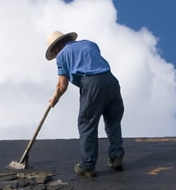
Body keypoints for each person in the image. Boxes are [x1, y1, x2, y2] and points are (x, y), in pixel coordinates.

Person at [45, 30, 125, 178]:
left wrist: (55, 98)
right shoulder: (90, 44)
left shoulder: (62, 55)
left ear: (56, 48)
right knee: (113, 122)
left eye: (54, 52)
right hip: (111, 81)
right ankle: (116, 157)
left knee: (86, 122)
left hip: (92, 83)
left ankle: (87, 165)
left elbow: (62, 85)